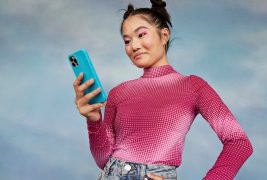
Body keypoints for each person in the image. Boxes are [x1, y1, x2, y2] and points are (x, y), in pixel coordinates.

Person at [73, 0, 253, 179]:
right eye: (127, 41)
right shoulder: (118, 93)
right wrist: (94, 120)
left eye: (141, 34)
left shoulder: (193, 86)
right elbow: (103, 159)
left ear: (164, 35)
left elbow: (239, 143)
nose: (133, 46)